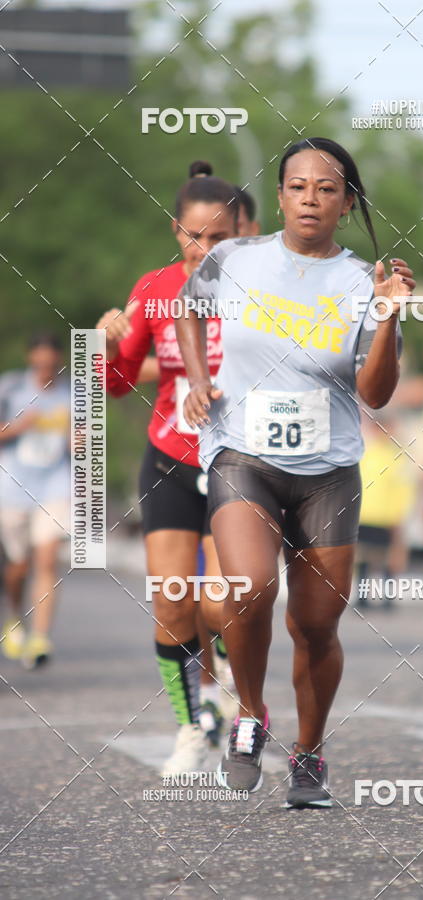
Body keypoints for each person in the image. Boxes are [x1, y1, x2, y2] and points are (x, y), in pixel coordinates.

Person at [176, 136, 415, 808]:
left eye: (327, 189)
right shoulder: (234, 258)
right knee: (248, 588)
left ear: (346, 203)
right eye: (298, 186)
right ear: (279, 196)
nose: (311, 198)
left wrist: (389, 316)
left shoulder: (363, 282)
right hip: (242, 454)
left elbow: (376, 393)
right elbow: (189, 309)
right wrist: (197, 380)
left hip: (329, 472)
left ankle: (308, 754)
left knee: (315, 626)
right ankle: (250, 715)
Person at [96, 161, 240, 776]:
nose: (205, 249)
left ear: (241, 233)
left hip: (235, 457)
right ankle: (188, 729)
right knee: (173, 602)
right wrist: (108, 341)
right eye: (194, 236)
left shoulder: (256, 289)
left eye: (219, 238)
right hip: (169, 459)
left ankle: (230, 692)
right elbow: (117, 386)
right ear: (175, 231)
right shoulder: (153, 289)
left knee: (218, 602)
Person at [0, 333, 70, 668]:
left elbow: (87, 451)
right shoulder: (11, 388)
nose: (47, 370)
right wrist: (17, 427)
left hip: (56, 486)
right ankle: (15, 617)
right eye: (41, 364)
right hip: (13, 487)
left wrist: (79, 439)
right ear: (31, 359)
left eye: (53, 365)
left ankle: (41, 638)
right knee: (18, 567)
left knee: (46, 560)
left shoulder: (74, 394)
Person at [355, 412, 415, 609]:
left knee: (387, 559)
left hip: (388, 516)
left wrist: (399, 515)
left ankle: (387, 598)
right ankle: (362, 597)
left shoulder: (397, 456)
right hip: (366, 514)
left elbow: (404, 487)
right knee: (363, 558)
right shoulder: (365, 453)